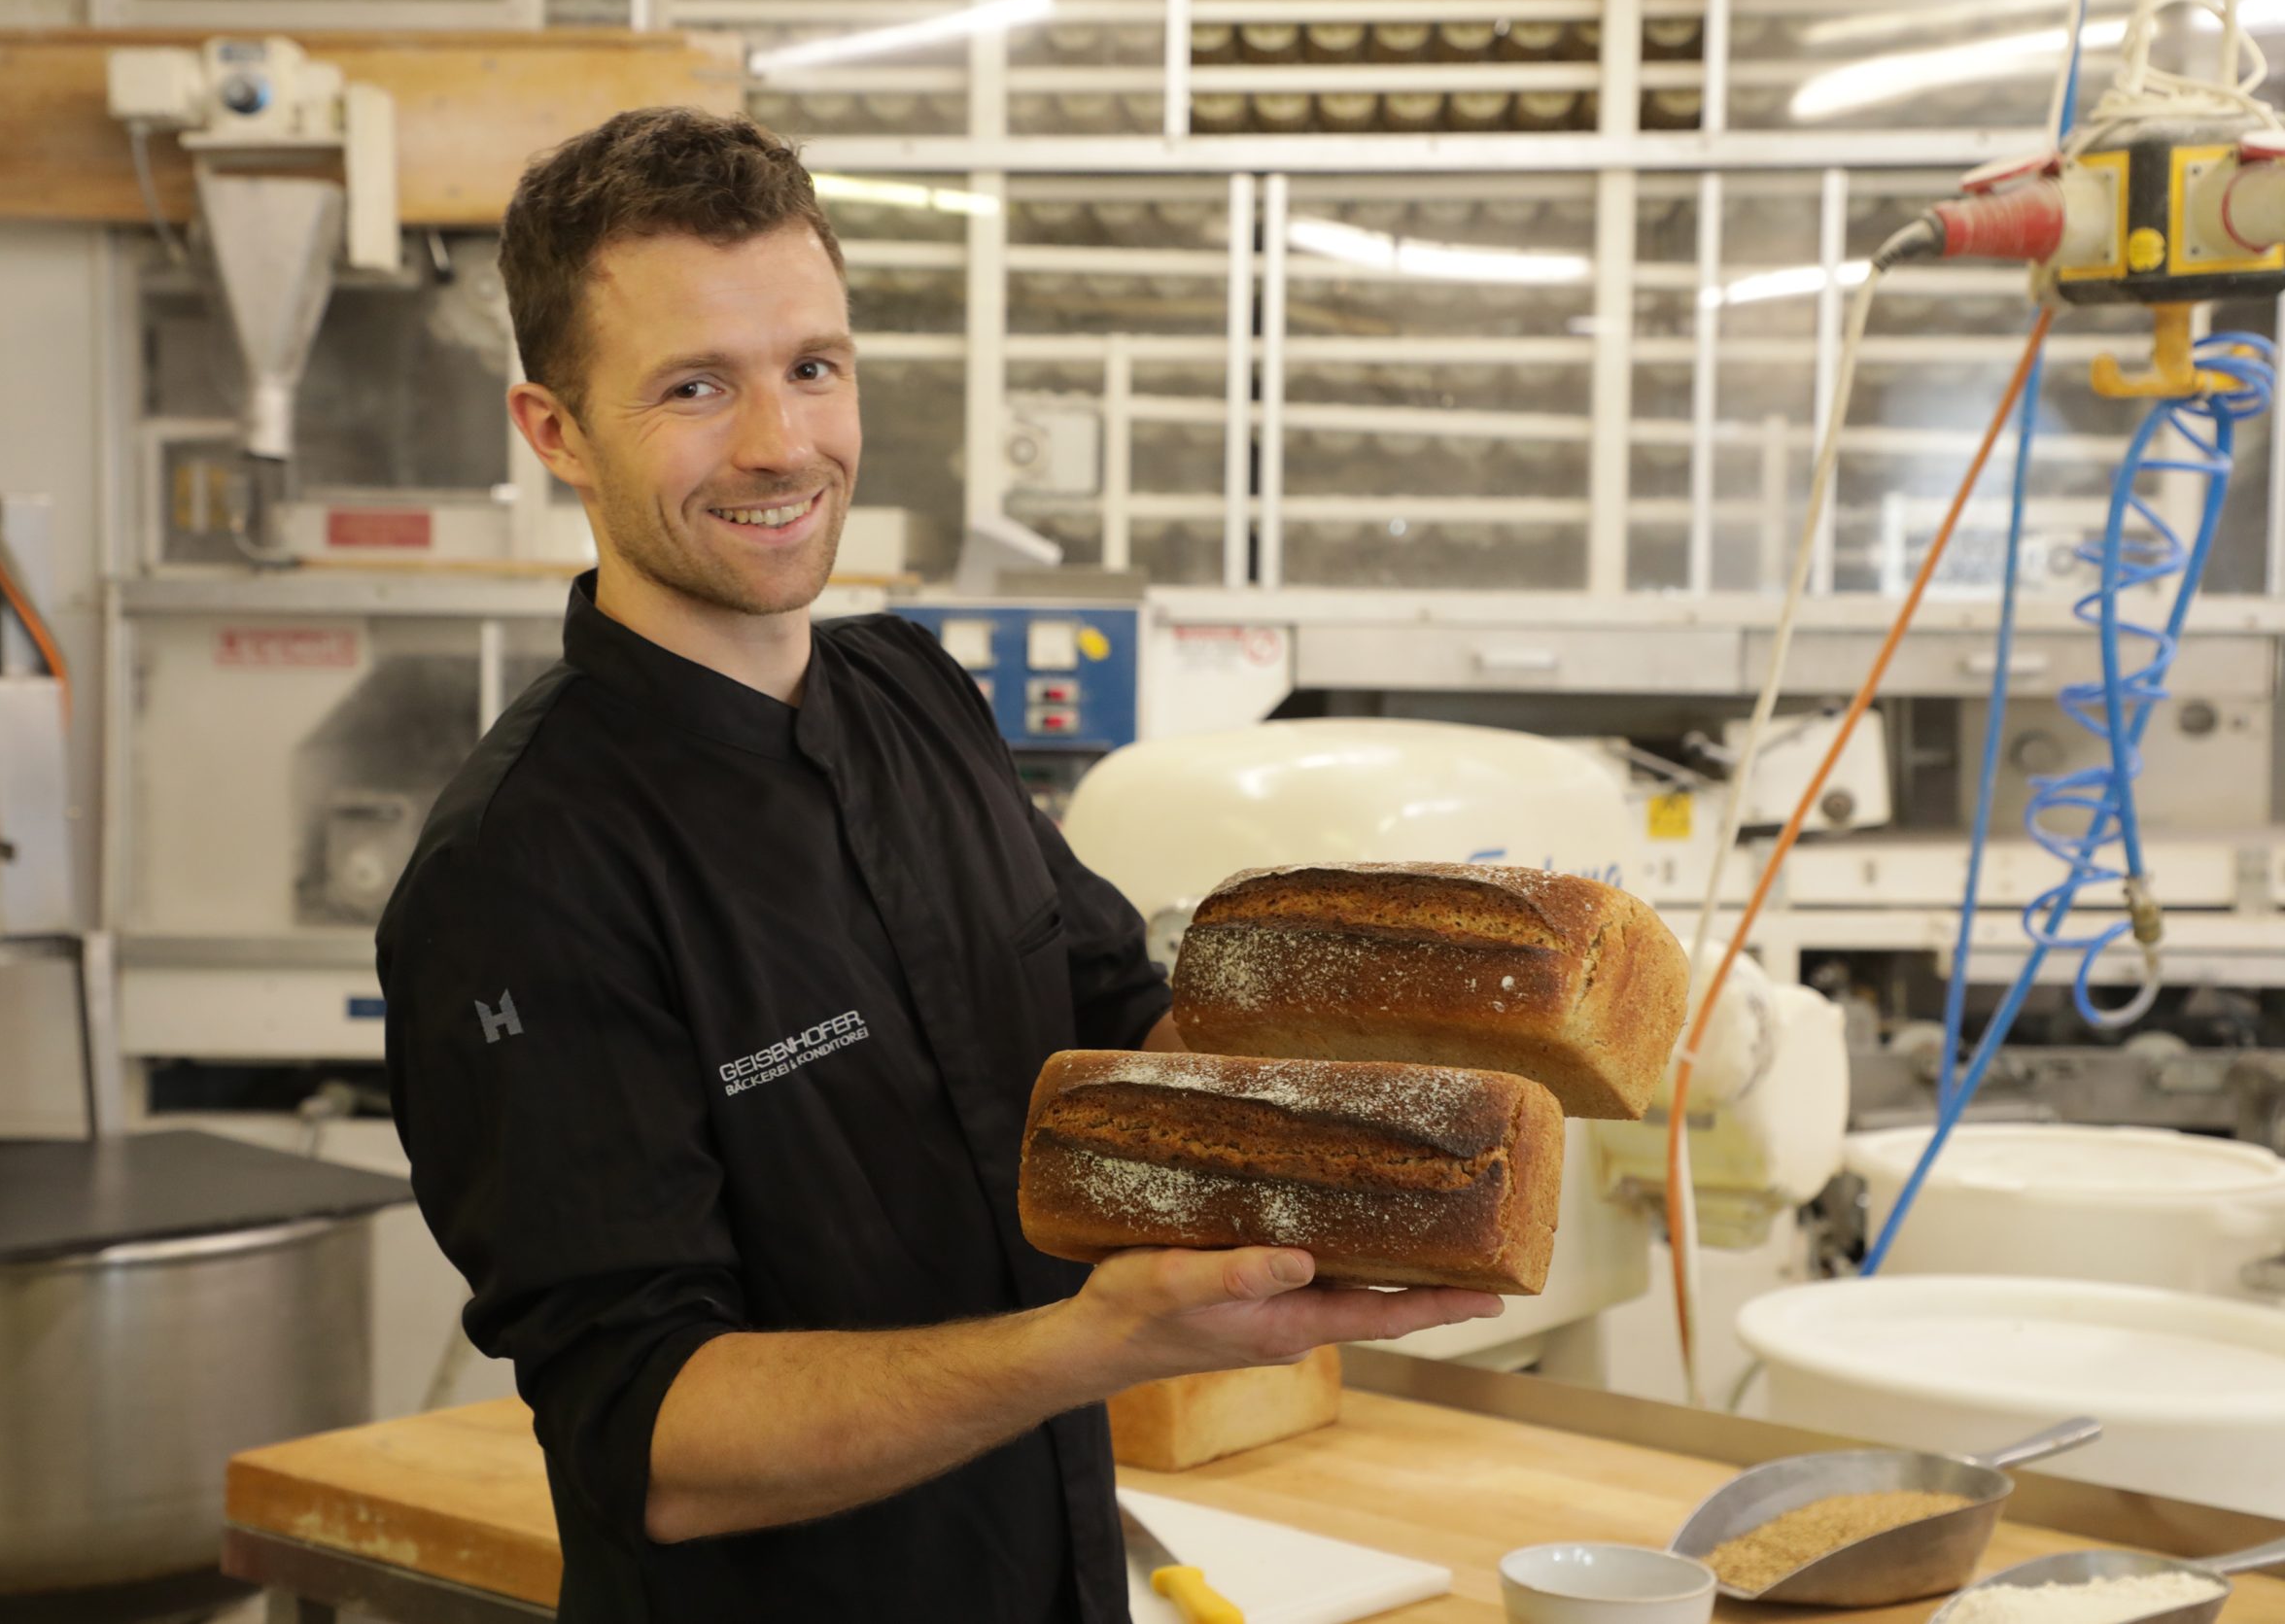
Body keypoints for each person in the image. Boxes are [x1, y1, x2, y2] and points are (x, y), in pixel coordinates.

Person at [378, 107, 1503, 1624]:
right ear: (554, 430)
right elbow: (654, 1442)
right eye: (696, 386)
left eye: (813, 367)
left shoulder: (913, 690)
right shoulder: (520, 875)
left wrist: (1392, 1026)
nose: (781, 444)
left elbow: (1126, 1035)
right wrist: (1100, 1344)